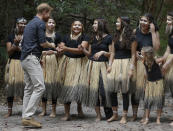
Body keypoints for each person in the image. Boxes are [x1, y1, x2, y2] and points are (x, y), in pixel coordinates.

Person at [20, 3, 54, 128]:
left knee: (29, 88)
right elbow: (43, 43)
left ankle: (25, 117)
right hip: (31, 57)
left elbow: (27, 43)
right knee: (40, 87)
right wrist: (52, 45)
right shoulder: (40, 24)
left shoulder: (30, 23)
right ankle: (28, 117)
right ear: (44, 12)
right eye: (48, 13)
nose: (49, 16)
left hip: (24, 58)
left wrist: (37, 56)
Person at [79, 19, 113, 122]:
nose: (93, 25)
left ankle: (109, 113)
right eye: (93, 23)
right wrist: (83, 49)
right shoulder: (91, 37)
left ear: (101, 25)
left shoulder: (109, 38)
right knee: (94, 91)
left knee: (104, 91)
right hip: (92, 65)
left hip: (103, 65)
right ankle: (98, 115)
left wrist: (103, 52)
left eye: (95, 23)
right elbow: (90, 54)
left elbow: (111, 53)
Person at [57, 20, 89, 121]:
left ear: (82, 27)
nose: (77, 27)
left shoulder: (85, 37)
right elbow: (61, 47)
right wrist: (60, 49)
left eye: (79, 25)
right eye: (75, 25)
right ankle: (67, 114)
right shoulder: (66, 37)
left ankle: (80, 110)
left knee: (79, 86)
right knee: (67, 87)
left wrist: (65, 48)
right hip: (67, 63)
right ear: (72, 26)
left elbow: (81, 50)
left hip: (81, 63)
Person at [107, 16, 136, 124]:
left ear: (124, 23)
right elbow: (113, 53)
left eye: (118, 22)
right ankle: (115, 114)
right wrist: (110, 65)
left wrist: (131, 69)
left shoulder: (132, 38)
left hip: (126, 63)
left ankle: (124, 116)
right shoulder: (115, 36)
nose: (116, 23)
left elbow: (133, 55)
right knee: (112, 89)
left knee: (125, 91)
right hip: (115, 64)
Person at [131, 13, 160, 121]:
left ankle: (145, 114)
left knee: (145, 90)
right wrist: (133, 64)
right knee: (135, 89)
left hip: (149, 65)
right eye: (141, 20)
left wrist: (152, 32)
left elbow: (156, 47)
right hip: (138, 64)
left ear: (150, 23)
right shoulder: (135, 31)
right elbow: (133, 50)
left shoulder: (154, 32)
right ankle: (134, 114)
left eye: (145, 21)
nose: (142, 22)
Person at [4, 17, 27, 118]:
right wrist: (16, 44)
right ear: (16, 24)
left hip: (24, 63)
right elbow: (9, 52)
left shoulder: (28, 36)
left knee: (25, 87)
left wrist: (17, 47)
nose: (22, 25)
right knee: (10, 87)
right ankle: (9, 111)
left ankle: (25, 110)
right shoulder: (10, 36)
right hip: (13, 63)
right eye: (20, 23)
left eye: (24, 23)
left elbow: (28, 50)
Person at [39, 18, 61, 118]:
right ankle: (43, 110)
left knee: (52, 85)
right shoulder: (41, 35)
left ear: (55, 24)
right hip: (42, 62)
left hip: (53, 62)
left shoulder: (57, 36)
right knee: (43, 85)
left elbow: (61, 50)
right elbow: (36, 48)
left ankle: (53, 110)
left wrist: (54, 52)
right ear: (46, 24)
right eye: (49, 22)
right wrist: (43, 52)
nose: (51, 24)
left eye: (53, 22)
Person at [156, 11, 173, 126]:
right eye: (167, 19)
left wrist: (167, 64)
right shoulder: (171, 34)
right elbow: (168, 50)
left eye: (169, 20)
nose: (167, 22)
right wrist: (161, 60)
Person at [140, 46, 164, 125]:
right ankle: (147, 118)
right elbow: (146, 73)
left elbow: (164, 58)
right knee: (147, 101)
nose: (141, 53)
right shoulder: (144, 61)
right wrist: (145, 83)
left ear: (147, 54)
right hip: (149, 83)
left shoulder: (156, 60)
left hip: (158, 82)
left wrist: (161, 65)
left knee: (159, 101)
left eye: (142, 52)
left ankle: (158, 118)